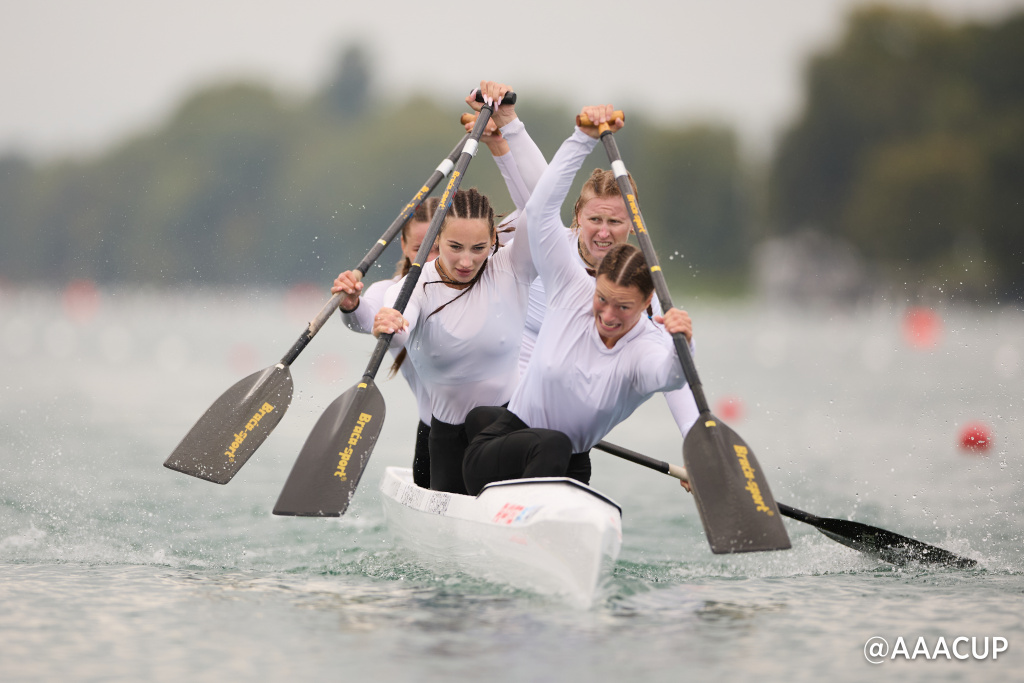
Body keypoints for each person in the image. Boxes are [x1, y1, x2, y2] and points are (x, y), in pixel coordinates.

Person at [461, 105, 694, 496]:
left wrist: (695, 445)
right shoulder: (561, 266)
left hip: (563, 429)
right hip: (507, 396)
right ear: (578, 218)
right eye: (595, 220)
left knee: (557, 446)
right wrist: (520, 129)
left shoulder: (644, 297)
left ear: (633, 226)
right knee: (496, 424)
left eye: (615, 222)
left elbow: (673, 379)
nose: (603, 233)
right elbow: (537, 204)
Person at [371, 82, 543, 495]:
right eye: (454, 248)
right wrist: (388, 320)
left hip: (505, 426)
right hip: (444, 441)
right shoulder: (418, 283)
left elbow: (542, 206)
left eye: (478, 248)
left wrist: (508, 131)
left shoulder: (511, 268)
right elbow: (400, 312)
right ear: (434, 242)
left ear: (495, 242)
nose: (466, 261)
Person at [331, 198, 440, 488]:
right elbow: (364, 318)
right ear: (404, 246)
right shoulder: (390, 292)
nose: (430, 260)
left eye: (439, 249)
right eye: (420, 250)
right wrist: (351, 304)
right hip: (435, 434)